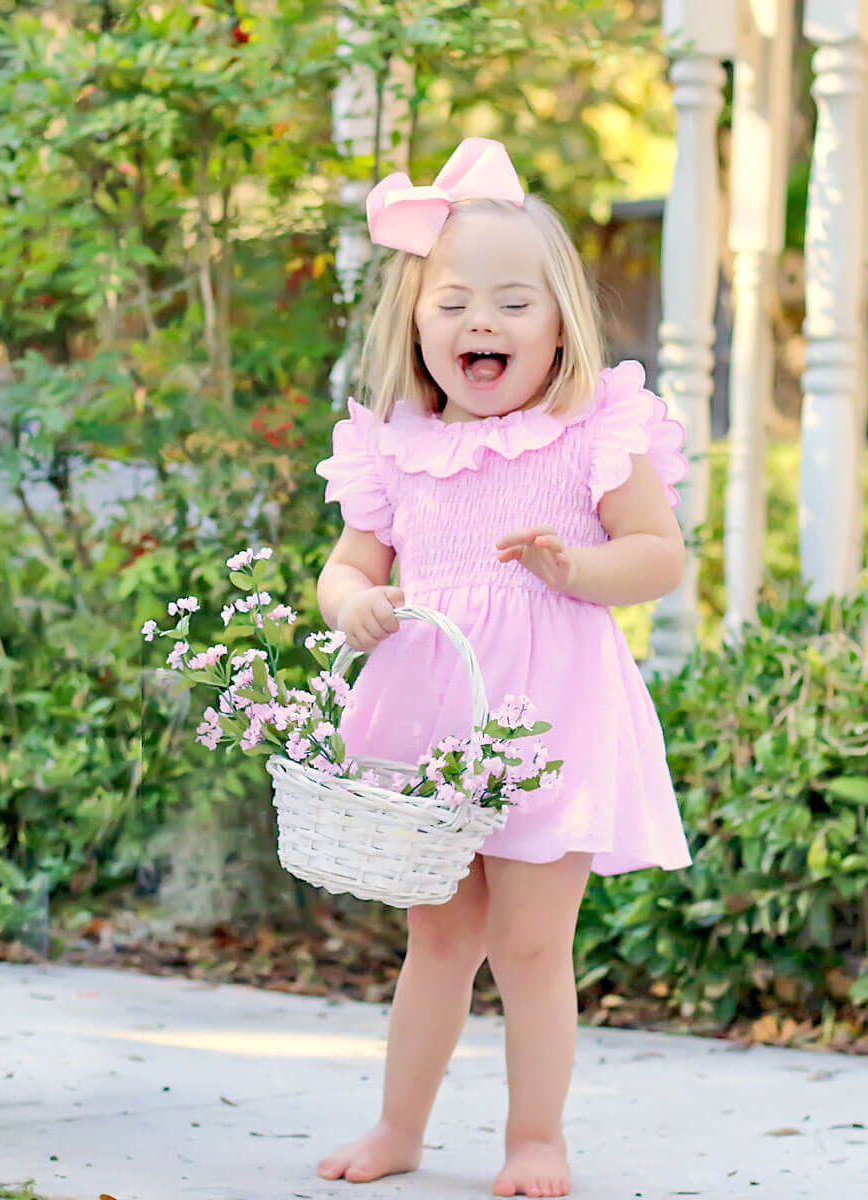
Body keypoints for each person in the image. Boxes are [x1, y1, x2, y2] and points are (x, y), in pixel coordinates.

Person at [312, 136, 692, 1199]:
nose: (483, 321)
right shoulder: (396, 447)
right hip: (436, 720)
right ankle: (399, 1126)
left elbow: (658, 557)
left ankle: (537, 1140)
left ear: (562, 321)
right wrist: (357, 606)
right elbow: (345, 565)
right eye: (456, 302)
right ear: (418, 325)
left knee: (529, 945)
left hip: (549, 728)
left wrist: (579, 567)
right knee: (436, 939)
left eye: (514, 302)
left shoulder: (590, 437)